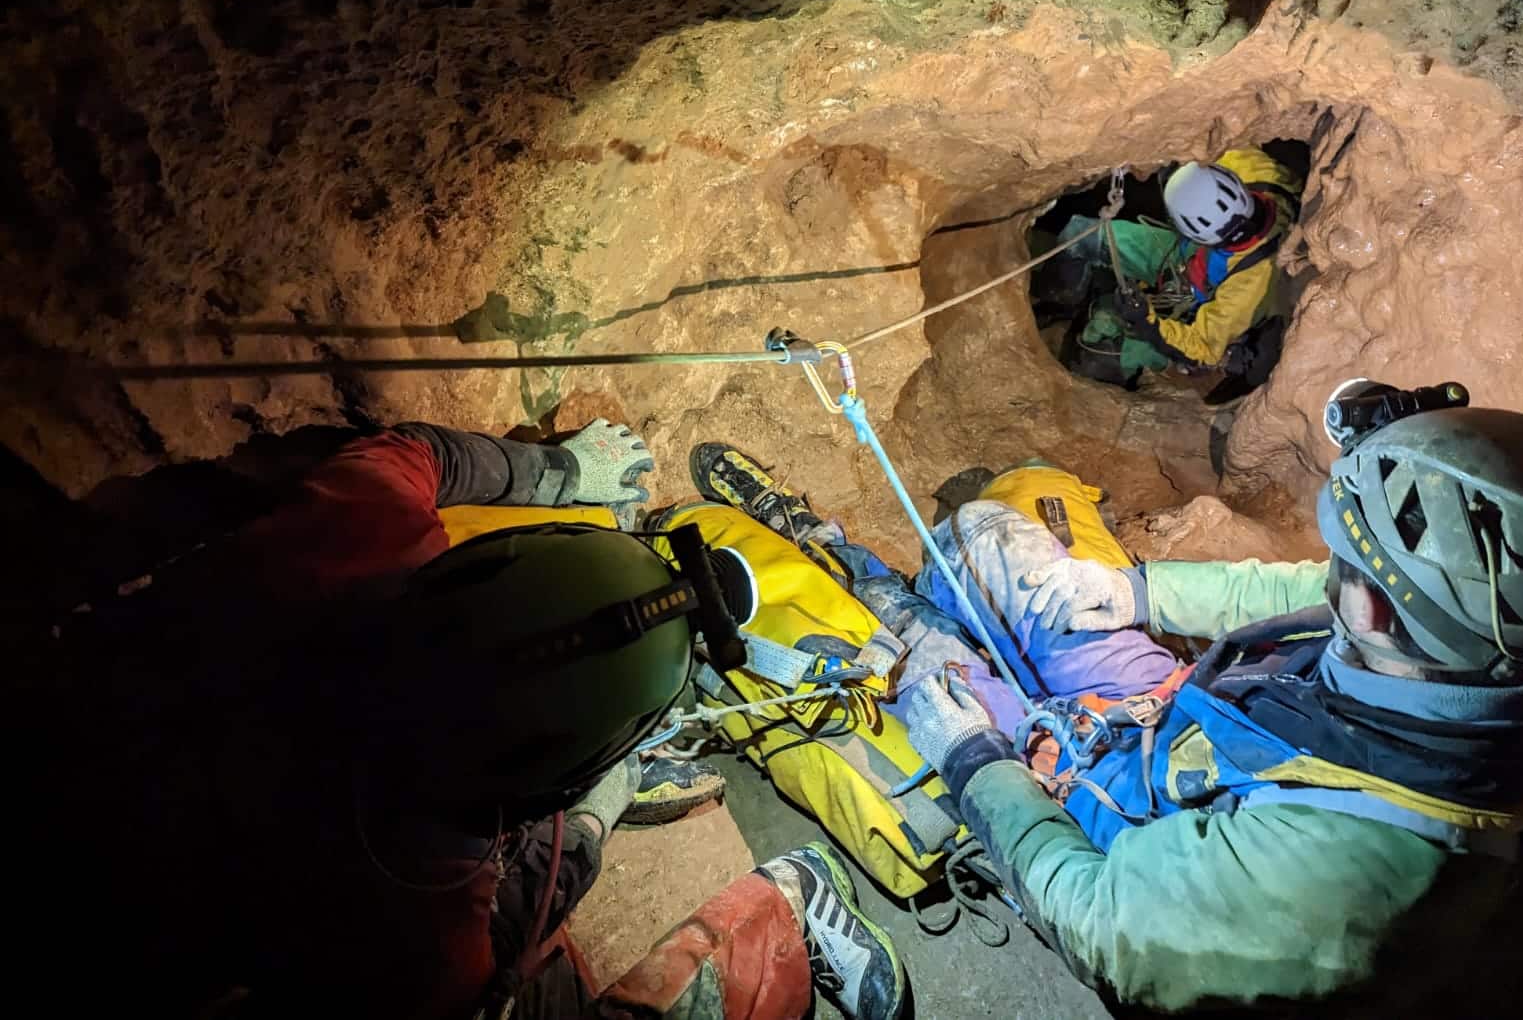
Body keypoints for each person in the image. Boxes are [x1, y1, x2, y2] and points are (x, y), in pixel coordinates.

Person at [692, 391, 1523, 1010]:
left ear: (1367, 602)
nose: (1329, 578)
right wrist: (1138, 594)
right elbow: (1289, 597)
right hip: (1175, 721)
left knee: (909, 669)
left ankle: (828, 556)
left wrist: (979, 761)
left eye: (1343, 569)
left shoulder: (1336, 886)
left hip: (1106, 823)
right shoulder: (1479, 656)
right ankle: (895, 580)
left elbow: (1097, 918)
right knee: (987, 535)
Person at [35, 419, 906, 1019]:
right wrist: (598, 813)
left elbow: (414, 453)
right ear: (541, 787)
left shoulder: (346, 540)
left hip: (60, 752)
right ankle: (782, 906)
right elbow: (509, 926)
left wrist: (561, 471)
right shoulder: (422, 915)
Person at [1037, 148, 1303, 391]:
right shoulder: (1252, 167)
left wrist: (1147, 322)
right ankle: (1058, 304)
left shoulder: (1250, 287)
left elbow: (1203, 348)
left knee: (1095, 355)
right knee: (1079, 235)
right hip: (1186, 258)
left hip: (1202, 309)